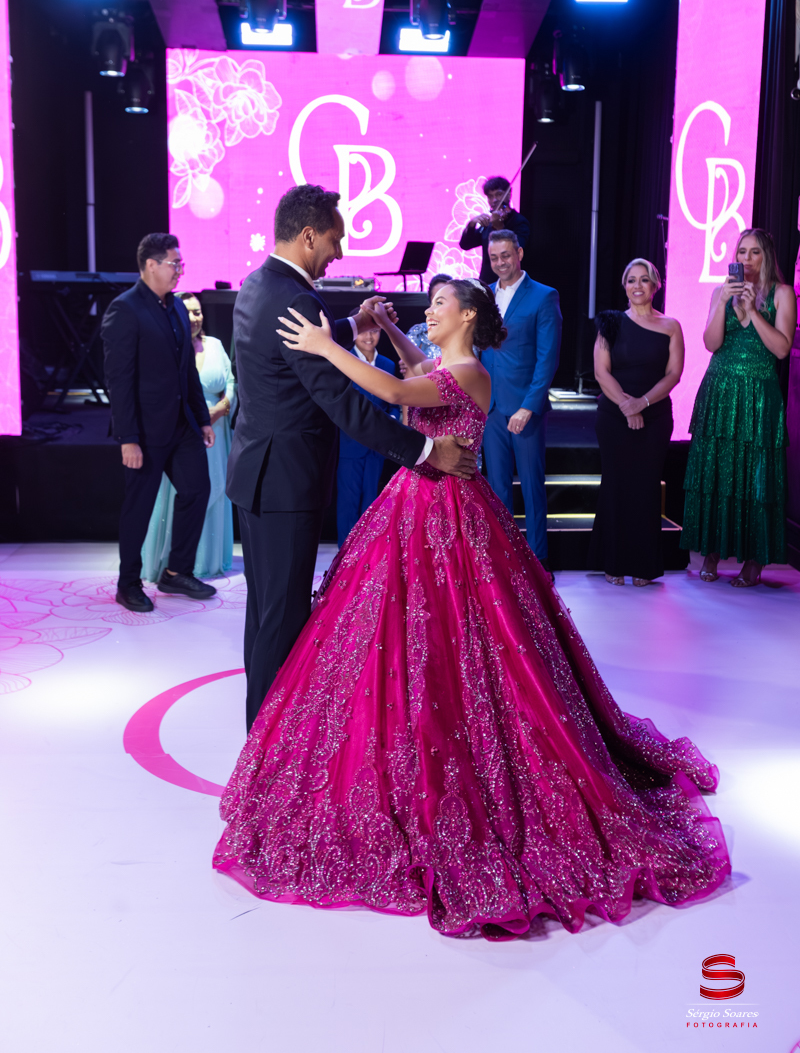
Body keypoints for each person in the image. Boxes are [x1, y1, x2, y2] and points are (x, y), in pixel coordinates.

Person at [213, 277, 730, 941]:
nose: (428, 311)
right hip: (412, 507)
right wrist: (388, 331)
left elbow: (397, 392)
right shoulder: (447, 366)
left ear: (466, 316)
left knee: (460, 642)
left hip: (448, 515)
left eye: (438, 304)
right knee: (398, 636)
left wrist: (325, 346)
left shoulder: (470, 375)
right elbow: (414, 370)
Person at [226, 184, 478, 730]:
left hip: (256, 474)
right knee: (281, 623)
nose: (338, 254)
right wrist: (426, 451)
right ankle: (267, 750)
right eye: (335, 240)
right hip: (286, 481)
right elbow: (343, 403)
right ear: (308, 235)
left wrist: (349, 327)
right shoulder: (298, 300)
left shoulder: (257, 284)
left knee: (264, 615)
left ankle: (259, 740)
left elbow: (284, 351)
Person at [101, 234, 217, 614]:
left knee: (197, 490)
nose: (179, 270)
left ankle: (176, 572)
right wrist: (128, 438)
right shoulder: (125, 309)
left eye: (180, 264)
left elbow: (186, 371)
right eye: (174, 264)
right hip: (145, 431)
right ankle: (128, 583)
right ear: (151, 265)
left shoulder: (178, 307)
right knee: (139, 507)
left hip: (182, 424)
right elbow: (119, 380)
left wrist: (201, 418)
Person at [681, 228, 796, 587]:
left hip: (759, 395)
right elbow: (711, 343)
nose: (746, 259)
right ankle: (712, 550)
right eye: (741, 252)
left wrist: (752, 312)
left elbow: (781, 349)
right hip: (720, 391)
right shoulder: (721, 292)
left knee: (755, 475)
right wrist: (722, 304)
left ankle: (754, 559)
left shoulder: (782, 293)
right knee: (718, 471)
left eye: (754, 252)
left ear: (767, 257)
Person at [589, 260, 684, 586]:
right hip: (614, 416)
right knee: (616, 485)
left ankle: (643, 564)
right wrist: (627, 407)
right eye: (631, 280)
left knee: (645, 487)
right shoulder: (611, 322)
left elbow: (674, 374)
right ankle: (613, 561)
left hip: (655, 416)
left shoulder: (671, 325)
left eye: (644, 280)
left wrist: (642, 403)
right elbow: (601, 372)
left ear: (656, 285)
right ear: (624, 286)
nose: (638, 286)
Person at [480, 230, 562, 577]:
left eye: (505, 255)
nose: (500, 263)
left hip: (524, 407)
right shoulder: (484, 295)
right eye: (494, 257)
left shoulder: (543, 296)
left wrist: (529, 406)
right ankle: (505, 562)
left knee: (531, 485)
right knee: (496, 488)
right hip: (490, 406)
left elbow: (548, 358)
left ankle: (539, 560)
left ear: (519, 254)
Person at [141, 293, 236, 581]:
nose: (195, 318)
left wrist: (222, 407)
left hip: (215, 430)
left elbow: (231, 382)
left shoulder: (215, 345)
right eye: (189, 312)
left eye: (198, 312)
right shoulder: (166, 345)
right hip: (181, 431)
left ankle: (209, 560)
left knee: (214, 488)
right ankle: (176, 565)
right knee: (180, 495)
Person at [336, 312, 400, 547]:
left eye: (374, 331)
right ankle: (345, 558)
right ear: (354, 332)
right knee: (348, 504)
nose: (369, 336)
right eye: (363, 331)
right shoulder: (343, 360)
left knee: (372, 503)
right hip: (350, 444)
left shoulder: (387, 365)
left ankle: (368, 557)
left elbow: (393, 403)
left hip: (377, 446)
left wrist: (391, 419)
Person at [459, 175, 531, 284]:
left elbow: (515, 251)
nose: (494, 200)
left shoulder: (519, 222)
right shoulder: (489, 223)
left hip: (510, 283)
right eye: (490, 196)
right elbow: (465, 245)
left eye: (499, 194)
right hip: (487, 283)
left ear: (509, 193)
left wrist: (500, 227)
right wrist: (471, 225)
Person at [404, 273, 452, 362]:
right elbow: (407, 365)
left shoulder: (464, 333)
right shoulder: (418, 333)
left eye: (443, 301)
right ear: (430, 304)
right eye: (437, 302)